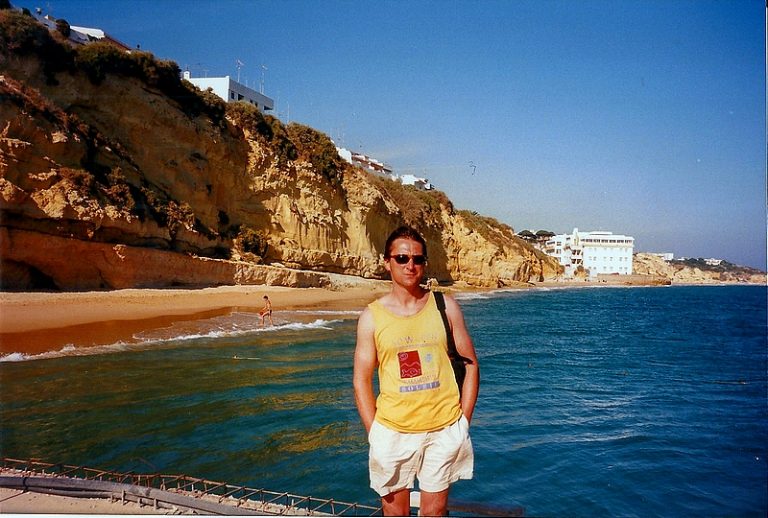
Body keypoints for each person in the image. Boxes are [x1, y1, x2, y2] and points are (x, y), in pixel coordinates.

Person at [353, 226, 479, 517]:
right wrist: (375, 433)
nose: (410, 265)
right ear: (387, 262)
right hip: (392, 432)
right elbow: (361, 379)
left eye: (418, 259)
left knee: (435, 512)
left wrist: (463, 422)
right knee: (394, 513)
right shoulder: (372, 317)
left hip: (444, 429)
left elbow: (471, 364)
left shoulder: (445, 307)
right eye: (401, 258)